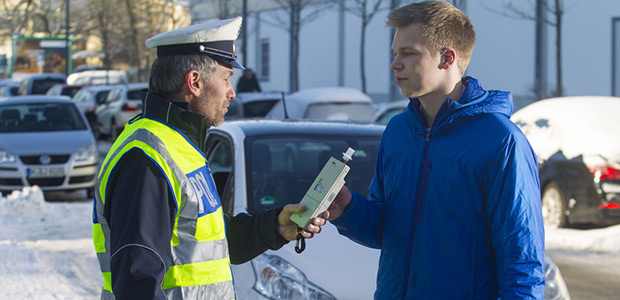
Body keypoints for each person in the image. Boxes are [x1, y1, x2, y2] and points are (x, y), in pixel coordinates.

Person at [92, 17, 326, 299]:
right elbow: (138, 278)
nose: (232, 92)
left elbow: (210, 243)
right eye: (226, 78)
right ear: (194, 82)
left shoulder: (177, 146)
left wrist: (275, 226)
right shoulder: (146, 159)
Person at [327, 1, 545, 299]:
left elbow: (522, 261)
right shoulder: (398, 132)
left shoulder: (501, 141)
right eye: (395, 53)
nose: (394, 64)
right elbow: (387, 230)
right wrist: (348, 208)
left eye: (408, 53)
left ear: (447, 58)